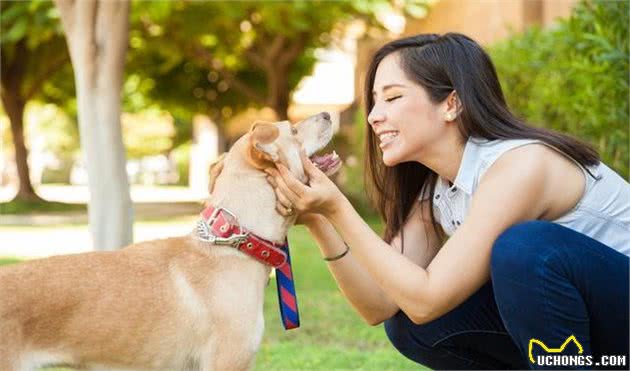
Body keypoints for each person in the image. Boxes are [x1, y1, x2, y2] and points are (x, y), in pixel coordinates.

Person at [264, 33, 630, 370]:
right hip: (589, 335)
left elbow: (427, 298)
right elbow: (380, 304)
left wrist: (337, 207)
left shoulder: (520, 166)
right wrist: (318, 217)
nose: (374, 117)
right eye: (374, 102)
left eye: (392, 97)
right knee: (408, 322)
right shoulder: (438, 188)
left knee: (523, 249)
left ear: (451, 103)